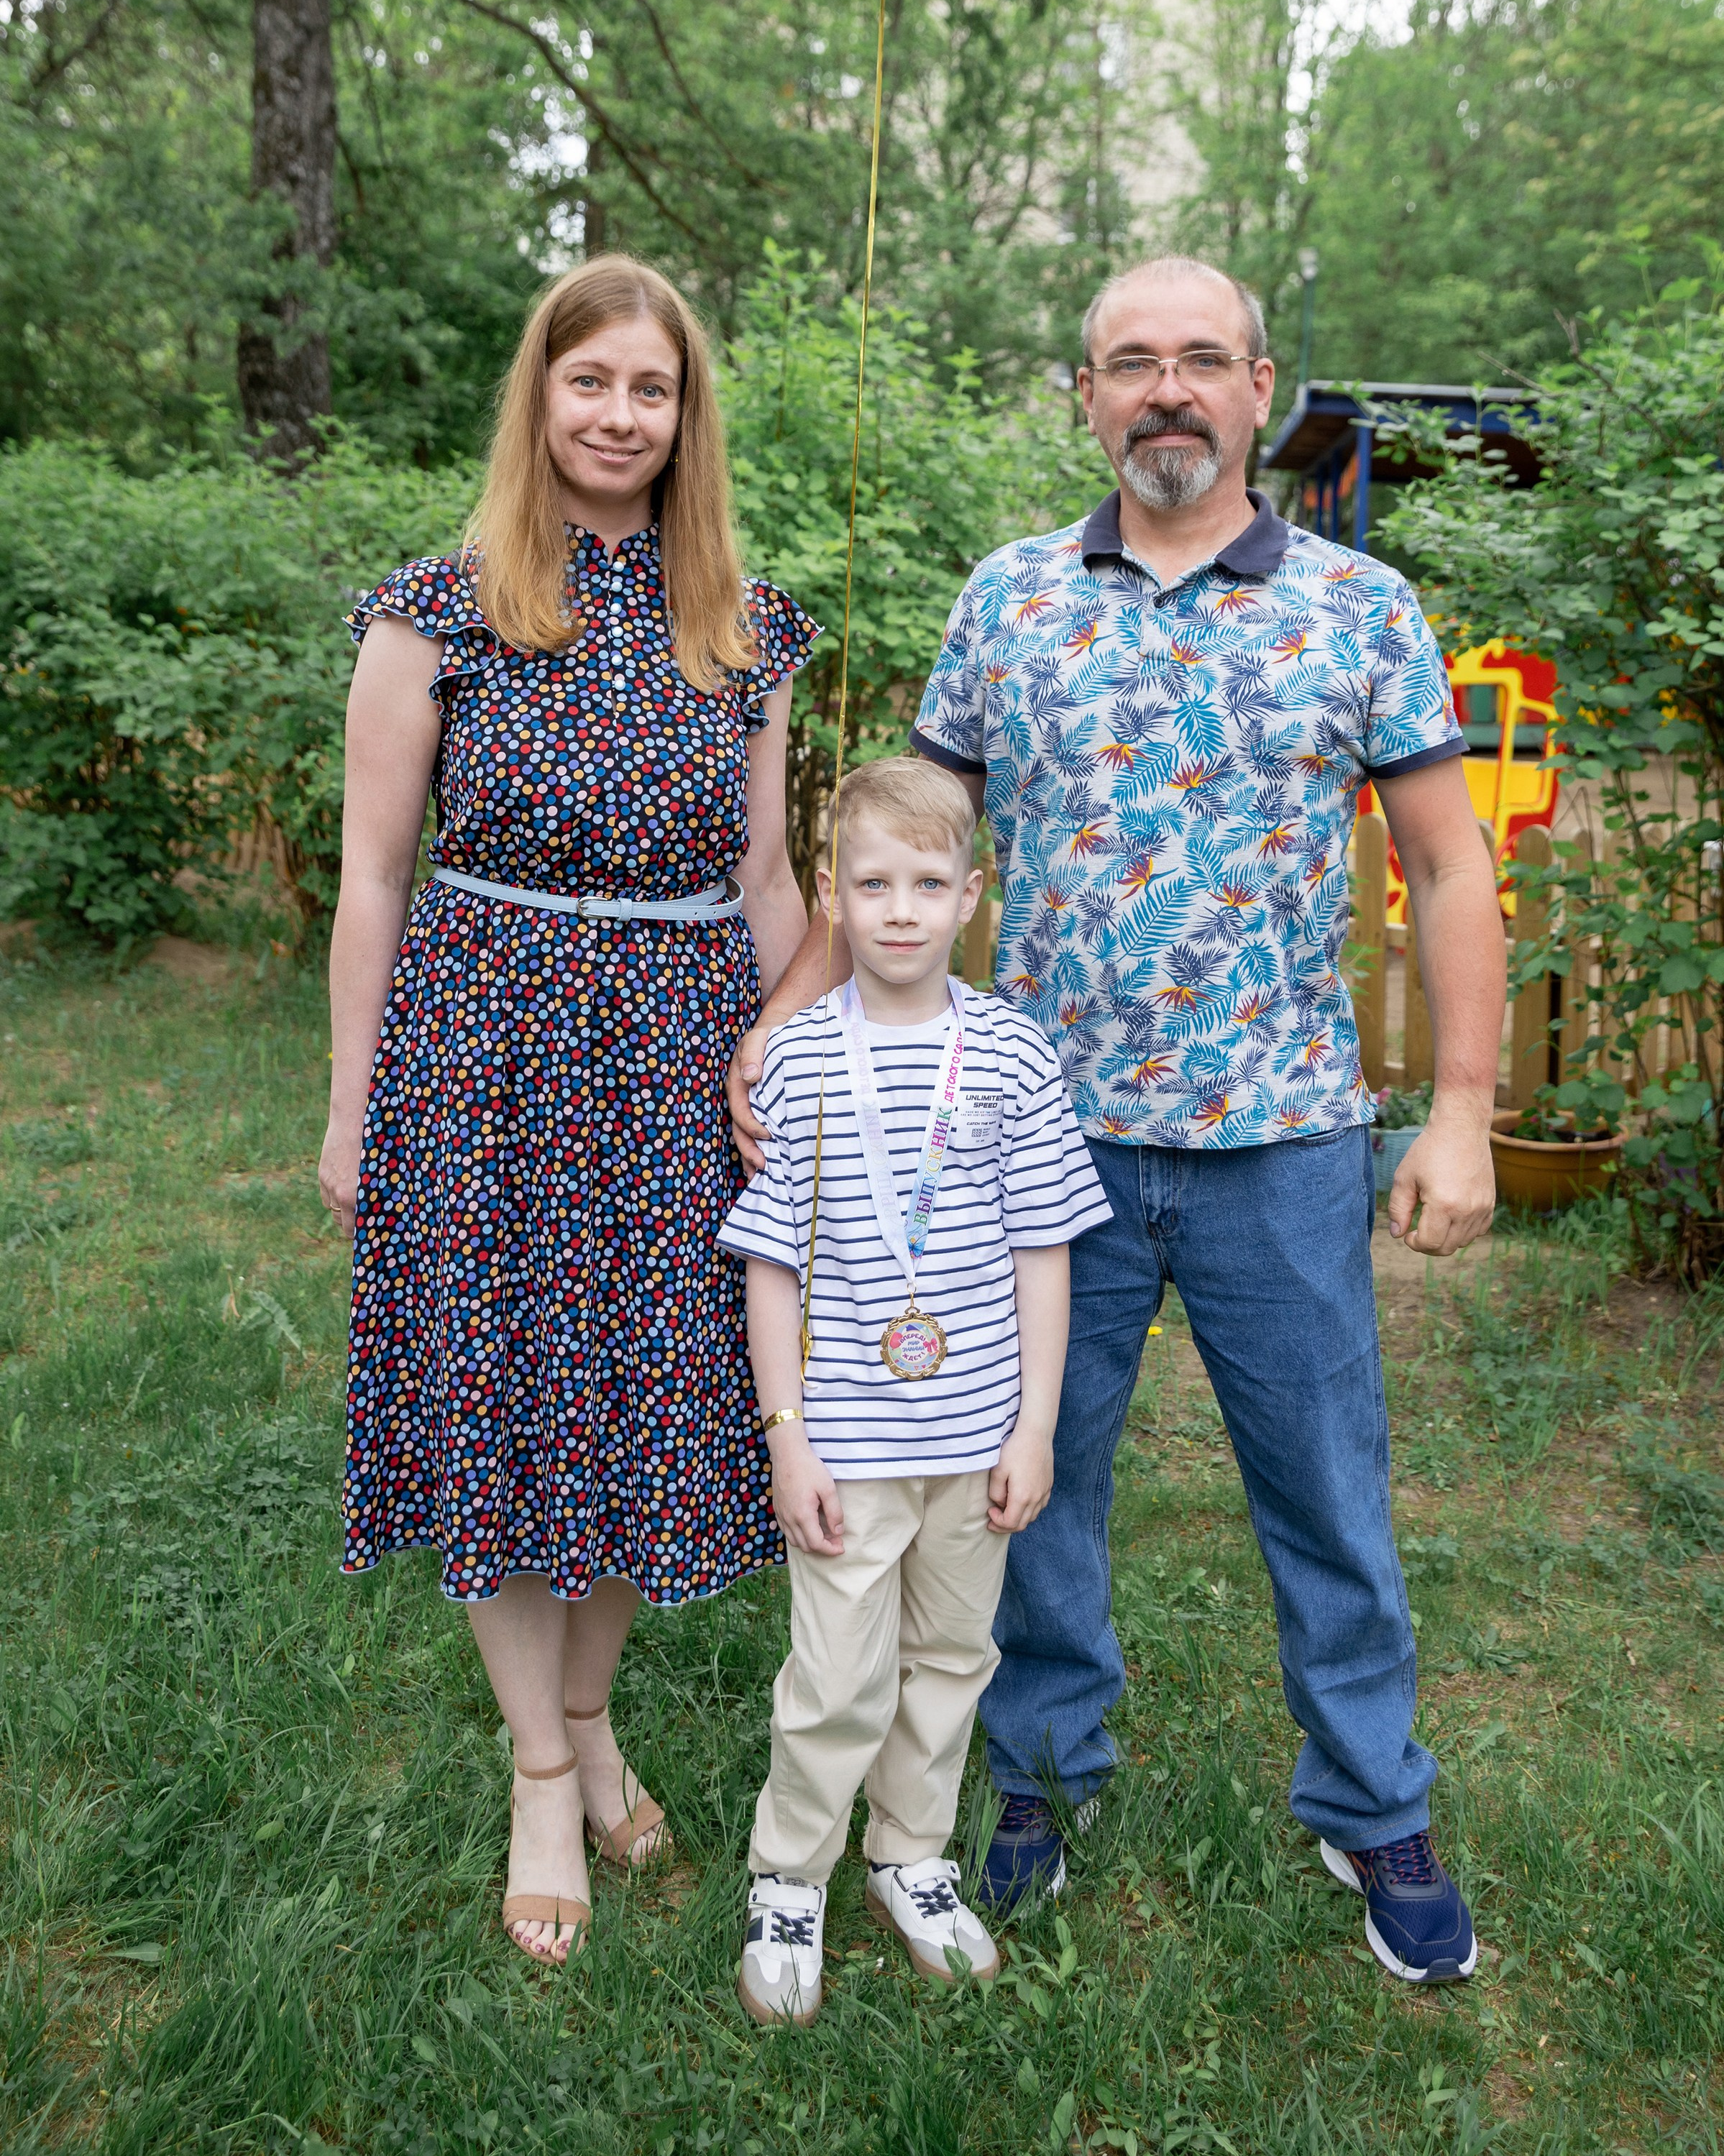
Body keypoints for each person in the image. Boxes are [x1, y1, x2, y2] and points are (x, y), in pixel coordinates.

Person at [731, 256, 1505, 1988]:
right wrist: (784, 1024)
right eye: (1129, 363)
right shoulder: (1007, 598)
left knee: (1323, 1493)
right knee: (1031, 1498)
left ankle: (1371, 1798)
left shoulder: (1358, 606)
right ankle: (1033, 1777)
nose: (1166, 390)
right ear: (1082, 394)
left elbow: (1450, 862)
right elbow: (900, 842)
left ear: (1256, 387)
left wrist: (1459, 1111)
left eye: (1200, 362)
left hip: (1284, 1137)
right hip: (1023, 1154)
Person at [319, 254, 817, 1964]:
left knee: (647, 1398)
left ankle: (593, 1709)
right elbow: (373, 874)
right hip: (483, 1046)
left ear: (688, 417)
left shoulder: (744, 625)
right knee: (497, 1387)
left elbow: (765, 875)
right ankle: (543, 1767)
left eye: (651, 388)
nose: (619, 415)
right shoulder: (438, 606)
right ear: (539, 396)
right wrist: (350, 1103)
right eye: (588, 381)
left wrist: (793, 1066)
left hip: (681, 1053)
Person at [717, 758, 1112, 2024]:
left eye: (927, 883)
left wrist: (1035, 1421)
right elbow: (770, 1268)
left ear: (971, 896)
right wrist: (787, 1438)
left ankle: (910, 1853)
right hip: (844, 1437)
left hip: (976, 1434)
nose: (898, 909)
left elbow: (1042, 1247)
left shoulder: (1009, 1051)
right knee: (836, 1674)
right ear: (829, 892)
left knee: (949, 1655)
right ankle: (790, 1876)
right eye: (872, 882)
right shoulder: (796, 1060)